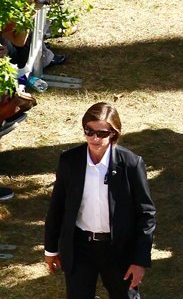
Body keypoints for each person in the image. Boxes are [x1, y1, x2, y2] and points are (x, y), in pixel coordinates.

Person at [44, 102, 156, 299]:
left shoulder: (130, 164)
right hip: (80, 248)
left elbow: (146, 214)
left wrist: (139, 260)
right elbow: (57, 206)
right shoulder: (70, 160)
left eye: (102, 133)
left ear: (113, 133)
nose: (94, 138)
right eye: (89, 131)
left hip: (118, 249)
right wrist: (51, 249)